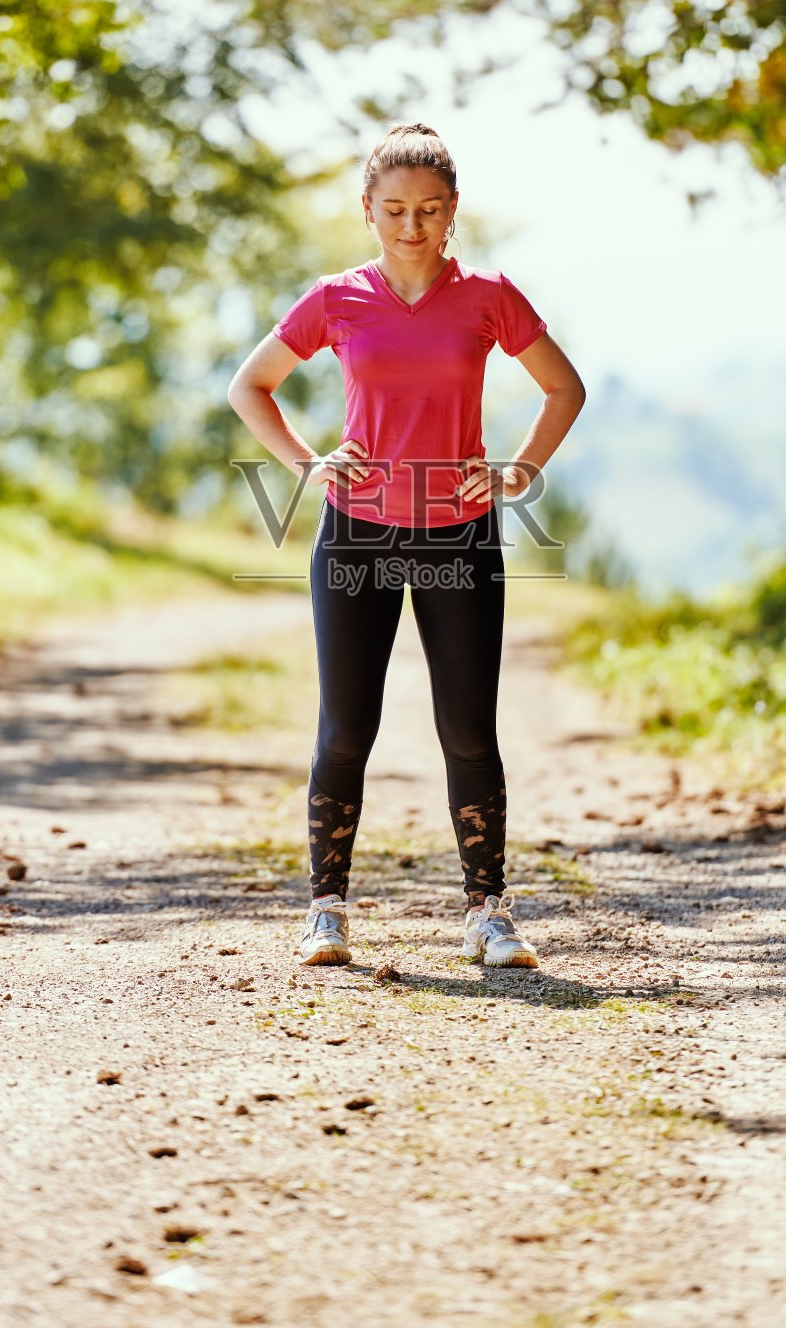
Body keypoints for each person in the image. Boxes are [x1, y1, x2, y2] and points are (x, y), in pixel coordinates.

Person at [227, 123, 586, 969]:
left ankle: (489, 915)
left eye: (428, 210)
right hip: (356, 531)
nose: (412, 226)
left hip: (460, 535)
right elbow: (250, 386)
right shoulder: (335, 298)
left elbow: (562, 388)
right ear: (367, 211)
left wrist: (514, 472)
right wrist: (311, 465)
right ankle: (326, 913)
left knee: (467, 728)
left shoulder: (490, 295)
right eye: (393, 210)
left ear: (453, 210)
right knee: (346, 728)